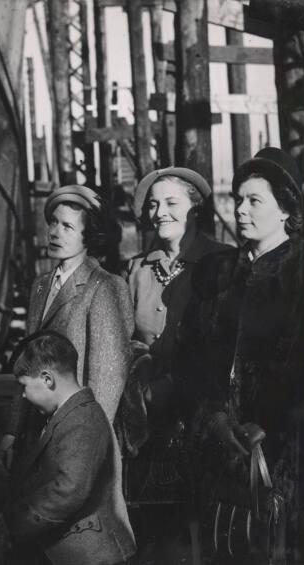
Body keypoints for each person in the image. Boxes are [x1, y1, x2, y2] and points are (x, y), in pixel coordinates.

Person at [179, 148, 304, 563]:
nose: (241, 210)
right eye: (238, 199)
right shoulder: (215, 271)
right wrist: (216, 420)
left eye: (254, 200)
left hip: (289, 461)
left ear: (285, 209)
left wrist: (271, 433)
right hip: (222, 452)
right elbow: (190, 358)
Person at [120, 167, 229, 560]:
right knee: (160, 532)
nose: (159, 212)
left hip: (204, 415)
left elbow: (224, 345)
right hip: (151, 421)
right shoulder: (137, 269)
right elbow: (128, 339)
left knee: (207, 530)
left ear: (195, 209)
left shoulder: (221, 261)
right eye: (153, 204)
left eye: (170, 203)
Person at [0, 185, 133, 463]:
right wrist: (12, 432)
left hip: (78, 439)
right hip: (38, 436)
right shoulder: (40, 287)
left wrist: (88, 444)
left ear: (90, 236)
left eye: (68, 227)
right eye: (53, 223)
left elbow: (107, 379)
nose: (55, 232)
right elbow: (28, 365)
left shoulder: (105, 287)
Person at [3, 330, 136, 565]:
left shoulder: (83, 420)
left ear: (47, 379)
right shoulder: (67, 415)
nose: (22, 396)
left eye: (24, 386)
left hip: (90, 555)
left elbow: (68, 490)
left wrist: (16, 521)